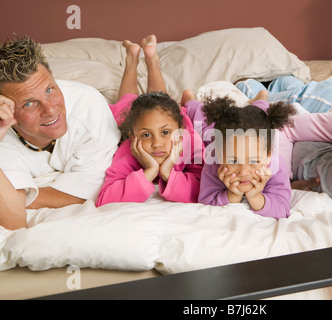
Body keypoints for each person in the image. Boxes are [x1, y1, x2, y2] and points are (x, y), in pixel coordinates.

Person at [0, 36, 120, 230]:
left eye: (49, 90)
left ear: (54, 77)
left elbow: (84, 194)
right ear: (5, 107)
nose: (50, 109)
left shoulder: (88, 105)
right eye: (29, 103)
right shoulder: (3, 135)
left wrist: (21, 194)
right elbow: (13, 224)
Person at [96, 36, 204, 206]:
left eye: (165, 133)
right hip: (137, 119)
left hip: (169, 117)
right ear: (133, 137)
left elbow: (204, 189)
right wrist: (150, 171)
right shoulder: (129, 151)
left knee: (160, 104)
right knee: (127, 101)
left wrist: (168, 172)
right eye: (146, 135)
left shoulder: (191, 143)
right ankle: (131, 59)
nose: (156, 143)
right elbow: (105, 198)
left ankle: (151, 59)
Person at [183, 91, 296, 219]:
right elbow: (206, 205)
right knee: (201, 123)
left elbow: (282, 209)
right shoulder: (213, 163)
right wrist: (232, 194)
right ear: (219, 155)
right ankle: (189, 99)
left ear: (269, 155)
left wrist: (255, 196)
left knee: (260, 112)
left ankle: (261, 98)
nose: (243, 172)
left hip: (248, 135)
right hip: (221, 138)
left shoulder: (276, 166)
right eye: (233, 161)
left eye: (253, 161)